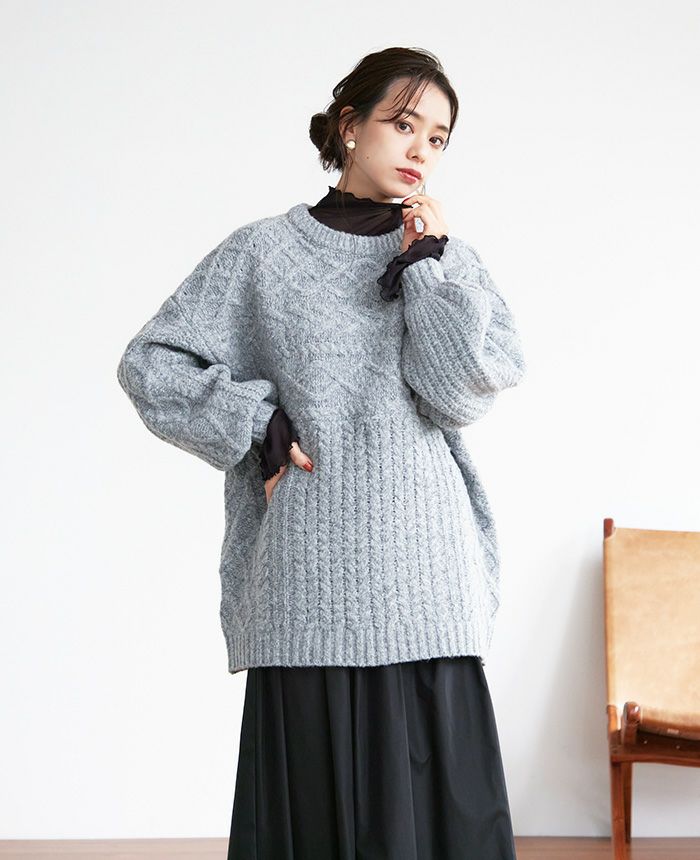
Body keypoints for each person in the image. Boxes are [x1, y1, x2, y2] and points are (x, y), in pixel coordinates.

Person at [116, 46, 526, 860]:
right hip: (310, 582)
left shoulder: (449, 261)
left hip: (427, 580)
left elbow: (459, 395)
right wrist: (259, 422)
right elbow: (150, 364)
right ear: (349, 126)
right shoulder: (263, 254)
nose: (420, 150)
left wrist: (425, 269)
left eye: (438, 138)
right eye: (402, 125)